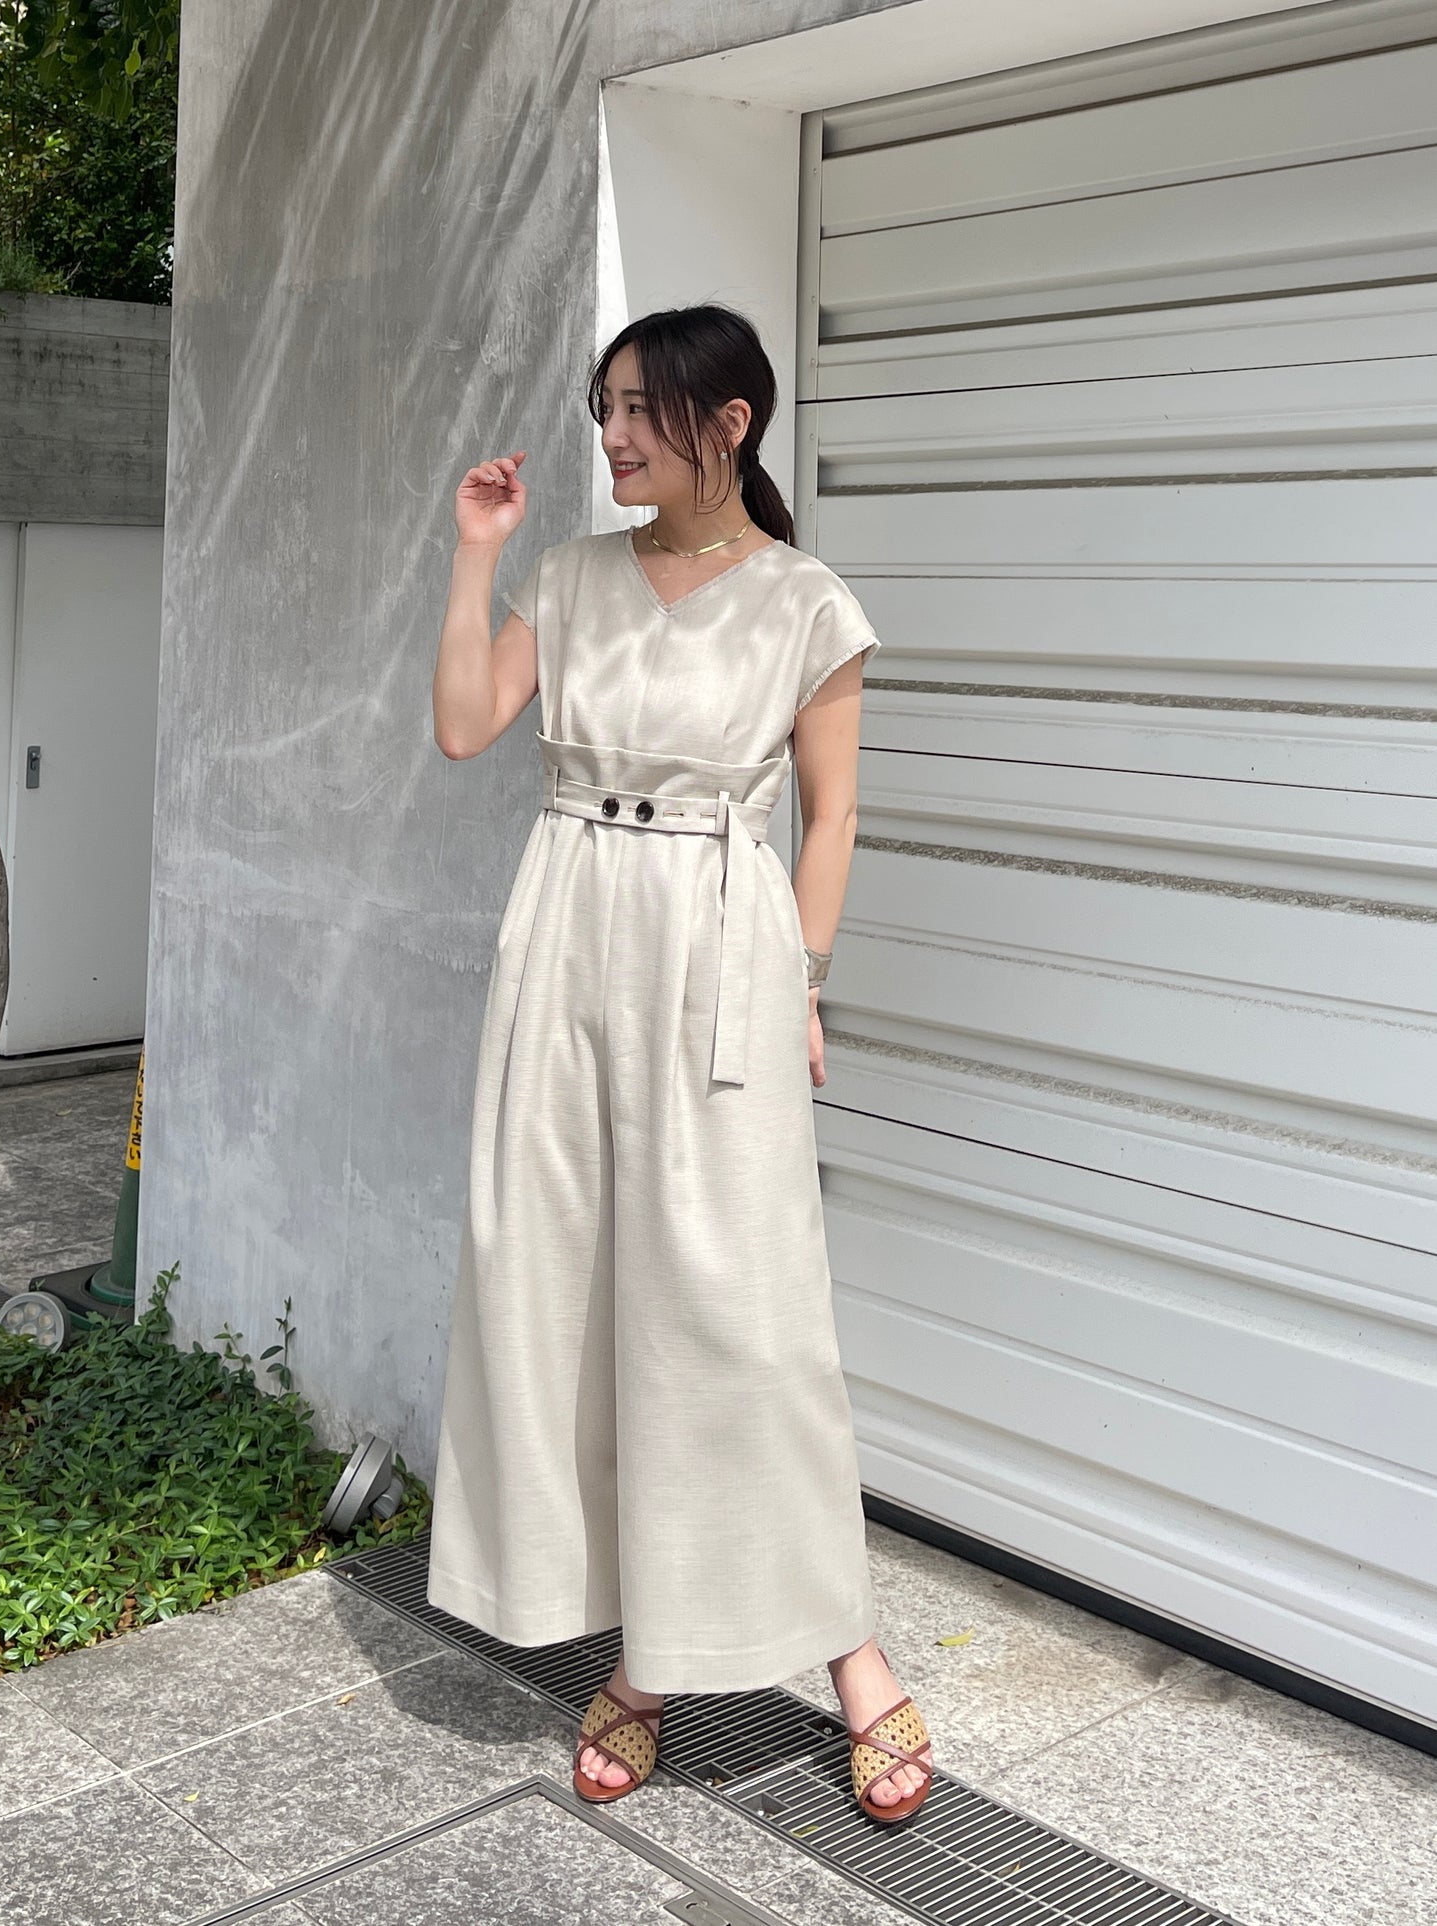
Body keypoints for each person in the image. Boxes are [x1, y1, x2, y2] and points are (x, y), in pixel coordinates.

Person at [426, 303, 934, 1823]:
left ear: (730, 423)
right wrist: (474, 554)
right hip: (566, 934)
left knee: (744, 1313)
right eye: (605, 407)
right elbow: (464, 726)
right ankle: (650, 1659)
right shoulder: (573, 576)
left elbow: (832, 817)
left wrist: (803, 980)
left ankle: (847, 1649)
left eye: (642, 408)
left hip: (718, 948)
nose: (613, 435)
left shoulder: (806, 604)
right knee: (569, 1288)